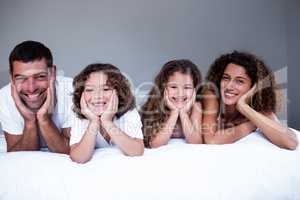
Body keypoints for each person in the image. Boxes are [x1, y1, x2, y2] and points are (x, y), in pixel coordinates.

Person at [201, 50, 298, 150]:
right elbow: (211, 141)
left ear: (254, 87)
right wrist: (251, 124)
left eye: (239, 81)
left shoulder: (258, 108)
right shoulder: (212, 96)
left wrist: (243, 107)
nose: (229, 86)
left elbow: (291, 142)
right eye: (226, 78)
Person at [0, 40, 73, 154]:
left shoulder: (70, 90)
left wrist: (45, 119)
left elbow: (72, 150)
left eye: (40, 76)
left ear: (52, 73)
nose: (31, 88)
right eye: (21, 78)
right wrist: (30, 122)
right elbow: (15, 155)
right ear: (12, 77)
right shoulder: (4, 97)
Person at [69, 63, 144, 163]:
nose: (97, 96)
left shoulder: (129, 113)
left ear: (118, 91)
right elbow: (79, 158)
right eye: (90, 90)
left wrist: (107, 121)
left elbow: (137, 151)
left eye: (106, 89)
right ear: (81, 94)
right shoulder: (81, 117)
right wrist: (94, 122)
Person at [141, 59, 203, 148]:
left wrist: (183, 113)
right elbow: (155, 144)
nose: (180, 93)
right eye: (174, 87)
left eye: (187, 87)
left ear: (194, 90)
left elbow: (196, 143)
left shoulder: (195, 107)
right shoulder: (158, 105)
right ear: (163, 88)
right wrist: (174, 113)